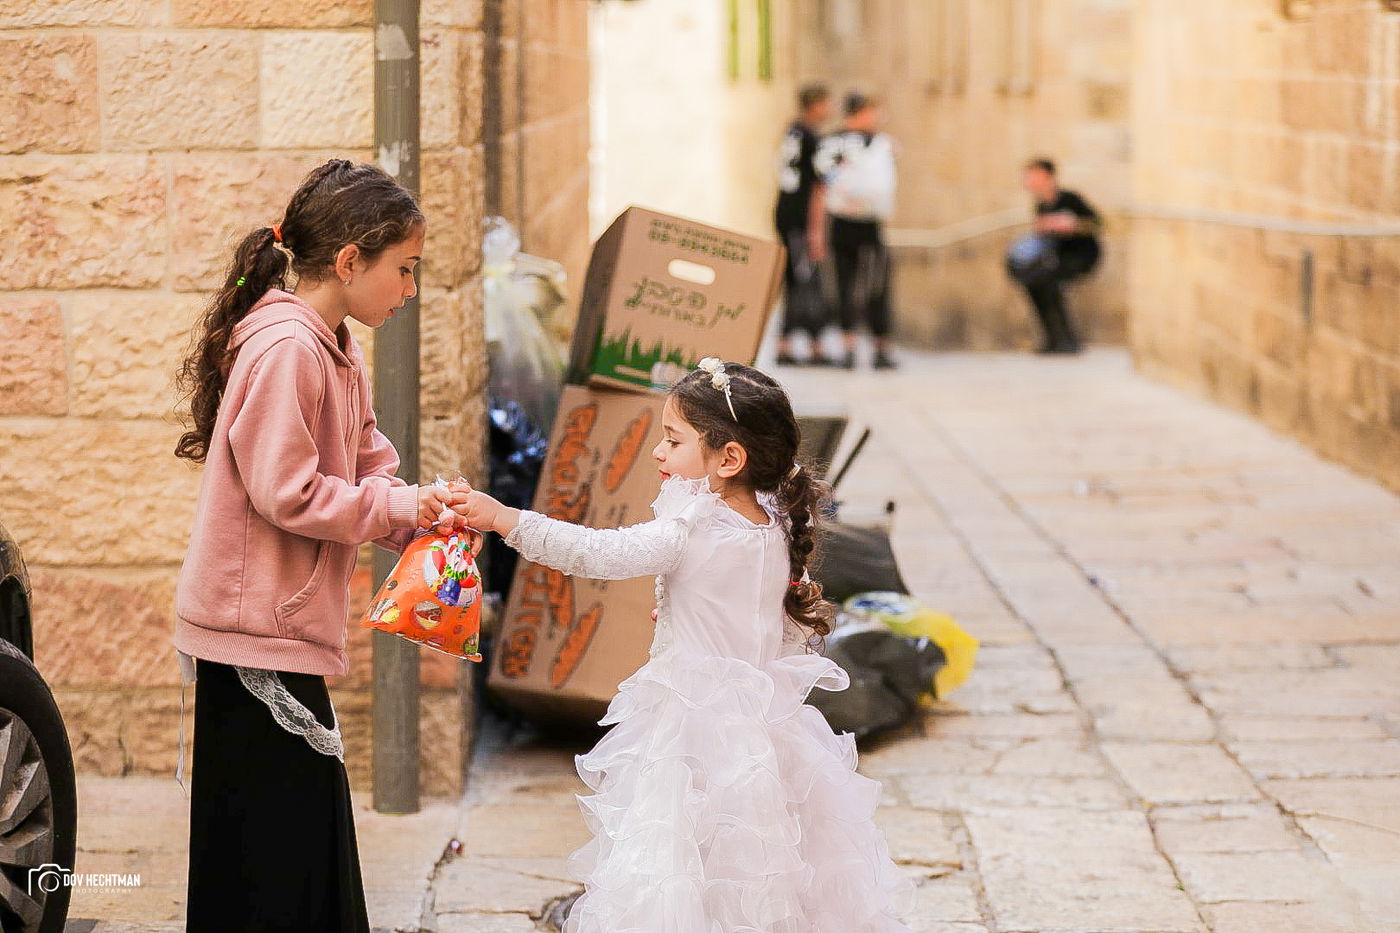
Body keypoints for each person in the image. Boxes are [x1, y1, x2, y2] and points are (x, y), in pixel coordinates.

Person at [457, 359, 915, 932]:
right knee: (758, 857)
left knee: (679, 856)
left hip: (693, 725)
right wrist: (689, 613)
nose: (658, 451)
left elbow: (598, 553)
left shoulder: (693, 527)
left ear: (729, 458)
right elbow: (761, 614)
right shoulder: (772, 517)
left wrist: (504, 519)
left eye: (673, 441)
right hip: (765, 724)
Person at [172, 159, 471, 932]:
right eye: (404, 268)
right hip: (253, 633)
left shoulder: (336, 344)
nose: (410, 289)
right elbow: (289, 491)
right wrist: (394, 505)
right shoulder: (288, 350)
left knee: (298, 840)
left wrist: (422, 515)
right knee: (278, 850)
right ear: (348, 261)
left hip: (282, 627)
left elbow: (367, 462)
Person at [813, 91, 899, 370]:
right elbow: (823, 184)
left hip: (870, 223)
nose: (877, 117)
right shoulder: (833, 144)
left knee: (877, 285)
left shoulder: (881, 143)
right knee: (844, 284)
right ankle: (849, 346)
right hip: (843, 221)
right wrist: (817, 230)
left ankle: (880, 347)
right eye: (872, 111)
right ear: (859, 112)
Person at [774, 83, 835, 366]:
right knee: (807, 281)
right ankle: (812, 346)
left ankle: (787, 344)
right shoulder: (810, 138)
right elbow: (817, 188)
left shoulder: (792, 131)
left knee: (794, 279)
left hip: (785, 214)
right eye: (825, 103)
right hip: (800, 219)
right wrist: (816, 230)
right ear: (814, 105)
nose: (829, 109)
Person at [1017, 157, 1102, 354]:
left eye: (1033, 175)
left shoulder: (1069, 199)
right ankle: (1054, 339)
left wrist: (1070, 224)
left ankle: (1067, 340)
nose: (1028, 180)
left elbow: (1097, 223)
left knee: (1047, 282)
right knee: (1032, 281)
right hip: (1057, 258)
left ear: (1047, 176)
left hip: (1081, 256)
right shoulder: (1041, 206)